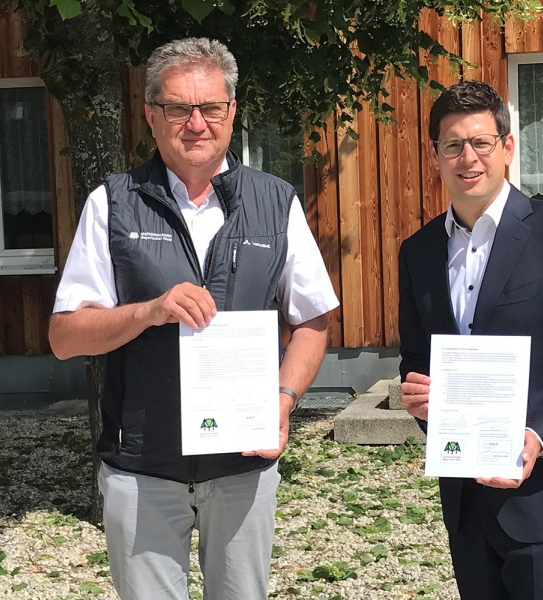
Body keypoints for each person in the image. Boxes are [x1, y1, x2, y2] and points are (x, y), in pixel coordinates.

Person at [49, 37, 339, 600]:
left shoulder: (275, 201)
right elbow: (64, 337)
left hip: (242, 465)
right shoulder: (112, 203)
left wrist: (282, 402)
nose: (195, 123)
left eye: (210, 107)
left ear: (232, 112)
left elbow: (313, 321)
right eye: (178, 108)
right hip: (143, 466)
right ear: (151, 116)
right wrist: (149, 311)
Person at [398, 81, 543, 599]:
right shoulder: (416, 253)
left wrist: (538, 437)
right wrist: (419, 397)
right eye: (453, 144)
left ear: (506, 147)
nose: (468, 158)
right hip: (465, 496)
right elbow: (417, 359)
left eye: (481, 142)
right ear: (434, 154)